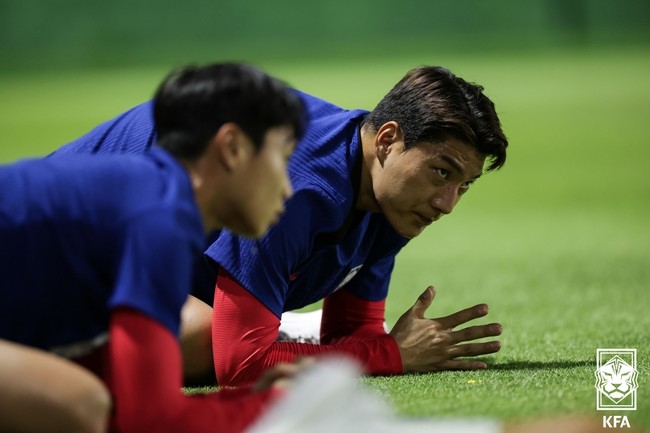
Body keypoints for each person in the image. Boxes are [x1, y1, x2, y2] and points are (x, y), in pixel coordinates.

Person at [54, 65, 508, 387]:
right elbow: (242, 363)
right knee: (202, 339)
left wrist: (379, 349)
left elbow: (351, 334)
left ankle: (274, 324)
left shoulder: (392, 198)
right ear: (388, 140)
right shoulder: (296, 186)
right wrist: (393, 354)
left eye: (464, 186)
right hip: (57, 256)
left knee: (214, 333)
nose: (447, 204)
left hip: (138, 266)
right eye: (442, 172)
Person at [0, 62, 306, 433]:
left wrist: (249, 401)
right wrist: (277, 406)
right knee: (81, 405)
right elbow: (149, 420)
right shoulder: (160, 217)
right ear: (233, 147)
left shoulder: (149, 196)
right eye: (284, 157)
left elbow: (130, 405)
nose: (288, 188)